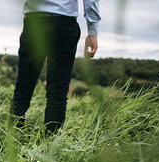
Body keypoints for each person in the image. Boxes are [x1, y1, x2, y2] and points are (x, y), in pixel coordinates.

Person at [10, 0, 101, 135]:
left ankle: (12, 139)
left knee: (24, 85)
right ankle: (50, 144)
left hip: (34, 19)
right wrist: (92, 30)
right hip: (63, 23)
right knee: (58, 90)